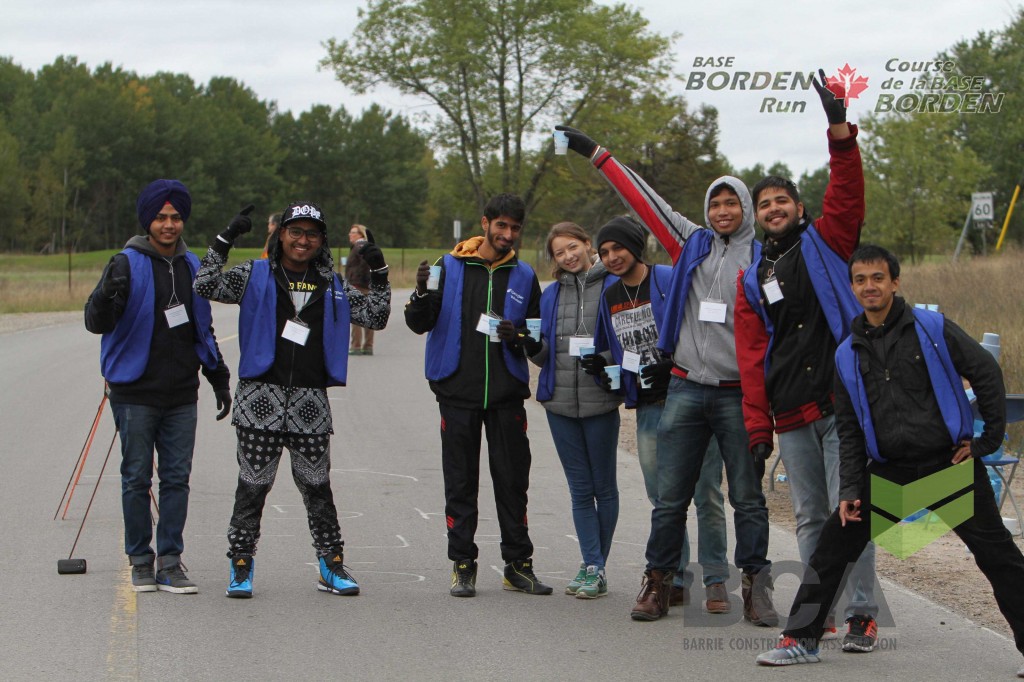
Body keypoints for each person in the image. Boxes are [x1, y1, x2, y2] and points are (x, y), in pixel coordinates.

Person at [756, 245, 1024, 674]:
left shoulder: (932, 328)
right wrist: (849, 489)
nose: (869, 287)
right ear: (852, 288)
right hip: (890, 472)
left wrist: (986, 440)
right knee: (833, 545)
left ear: (895, 282)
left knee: (999, 559)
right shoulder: (847, 352)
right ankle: (800, 639)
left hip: (946, 468)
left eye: (877, 278)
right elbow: (848, 429)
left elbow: (986, 372)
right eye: (860, 280)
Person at [557, 123, 775, 624]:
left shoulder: (764, 259)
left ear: (745, 209)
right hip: (685, 388)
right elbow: (642, 199)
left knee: (746, 497)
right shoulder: (690, 244)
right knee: (669, 497)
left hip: (739, 395)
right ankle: (659, 584)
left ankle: (755, 587)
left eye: (731, 203)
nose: (722, 212)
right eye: (714, 203)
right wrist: (595, 152)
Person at [735, 68, 878, 646]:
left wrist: (839, 130)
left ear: (797, 205)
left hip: (842, 407)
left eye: (781, 200)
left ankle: (863, 613)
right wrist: (757, 426)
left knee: (853, 512)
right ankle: (819, 613)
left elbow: (847, 193)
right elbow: (752, 357)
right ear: (757, 214)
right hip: (792, 411)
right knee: (811, 519)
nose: (773, 208)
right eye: (764, 203)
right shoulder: (752, 278)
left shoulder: (829, 241)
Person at [194, 201, 391, 598]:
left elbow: (376, 316)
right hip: (258, 402)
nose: (303, 241)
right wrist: (225, 238)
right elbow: (205, 283)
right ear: (281, 234)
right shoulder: (254, 274)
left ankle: (331, 567)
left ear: (322, 242)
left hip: (309, 406)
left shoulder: (331, 285)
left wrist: (380, 272)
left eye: (312, 234)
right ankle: (241, 567)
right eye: (295, 232)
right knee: (251, 488)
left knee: (318, 489)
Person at [84, 178, 231, 594]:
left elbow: (203, 327)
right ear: (147, 221)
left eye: (176, 217)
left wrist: (218, 378)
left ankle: (170, 560)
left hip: (182, 393)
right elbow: (96, 323)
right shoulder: (125, 263)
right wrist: (104, 297)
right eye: (161, 217)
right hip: (134, 392)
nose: (169, 225)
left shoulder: (192, 266)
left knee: (177, 479)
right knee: (135, 479)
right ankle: (140, 561)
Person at [405, 193, 551, 598]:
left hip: (506, 394)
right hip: (457, 390)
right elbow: (418, 323)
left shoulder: (523, 275)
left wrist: (518, 335)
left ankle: (518, 566)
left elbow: (536, 339)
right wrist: (420, 293)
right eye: (501, 225)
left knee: (512, 483)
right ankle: (463, 564)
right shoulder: (447, 265)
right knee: (461, 483)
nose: (507, 235)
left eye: (515, 228)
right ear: (485, 223)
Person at [529, 222, 622, 599]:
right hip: (560, 404)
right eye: (559, 253)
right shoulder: (550, 296)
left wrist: (604, 362)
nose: (568, 256)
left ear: (588, 244)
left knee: (604, 487)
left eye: (573, 247)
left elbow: (621, 338)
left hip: (600, 401)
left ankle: (595, 567)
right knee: (580, 490)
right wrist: (528, 345)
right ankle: (592, 565)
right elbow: (544, 355)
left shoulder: (613, 285)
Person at [346, 224, 376, 355]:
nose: (350, 235)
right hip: (368, 285)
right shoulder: (366, 247)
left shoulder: (359, 246)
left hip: (358, 285)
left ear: (361, 235)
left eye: (353, 233)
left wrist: (354, 282)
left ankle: (356, 346)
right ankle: (368, 346)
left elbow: (363, 266)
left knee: (357, 317)